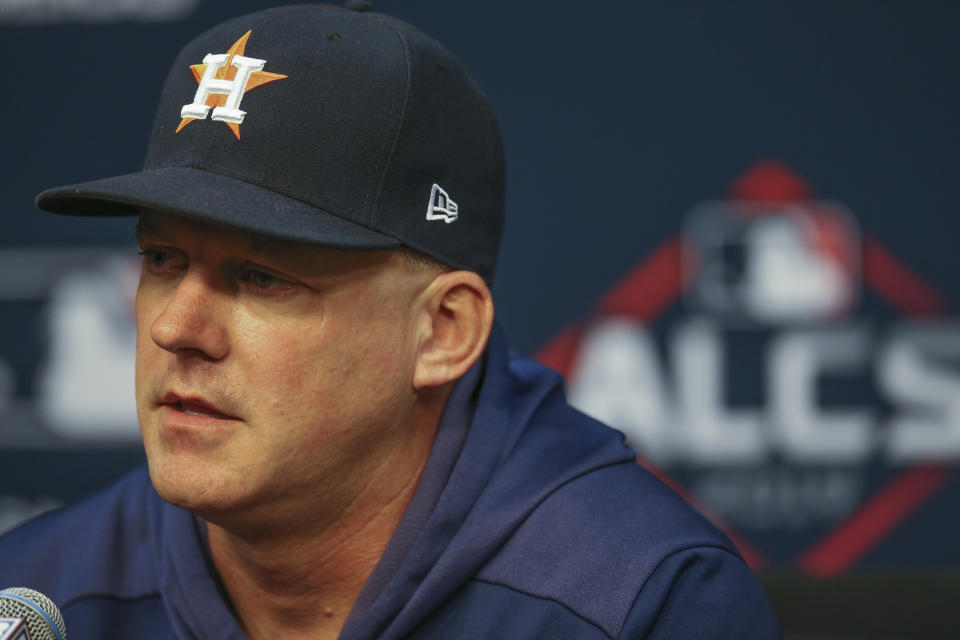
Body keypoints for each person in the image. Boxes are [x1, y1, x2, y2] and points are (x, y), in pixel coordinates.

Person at [0, 3, 780, 638]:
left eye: (262, 277)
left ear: (443, 332)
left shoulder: (637, 603)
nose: (177, 328)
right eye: (163, 261)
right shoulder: (38, 598)